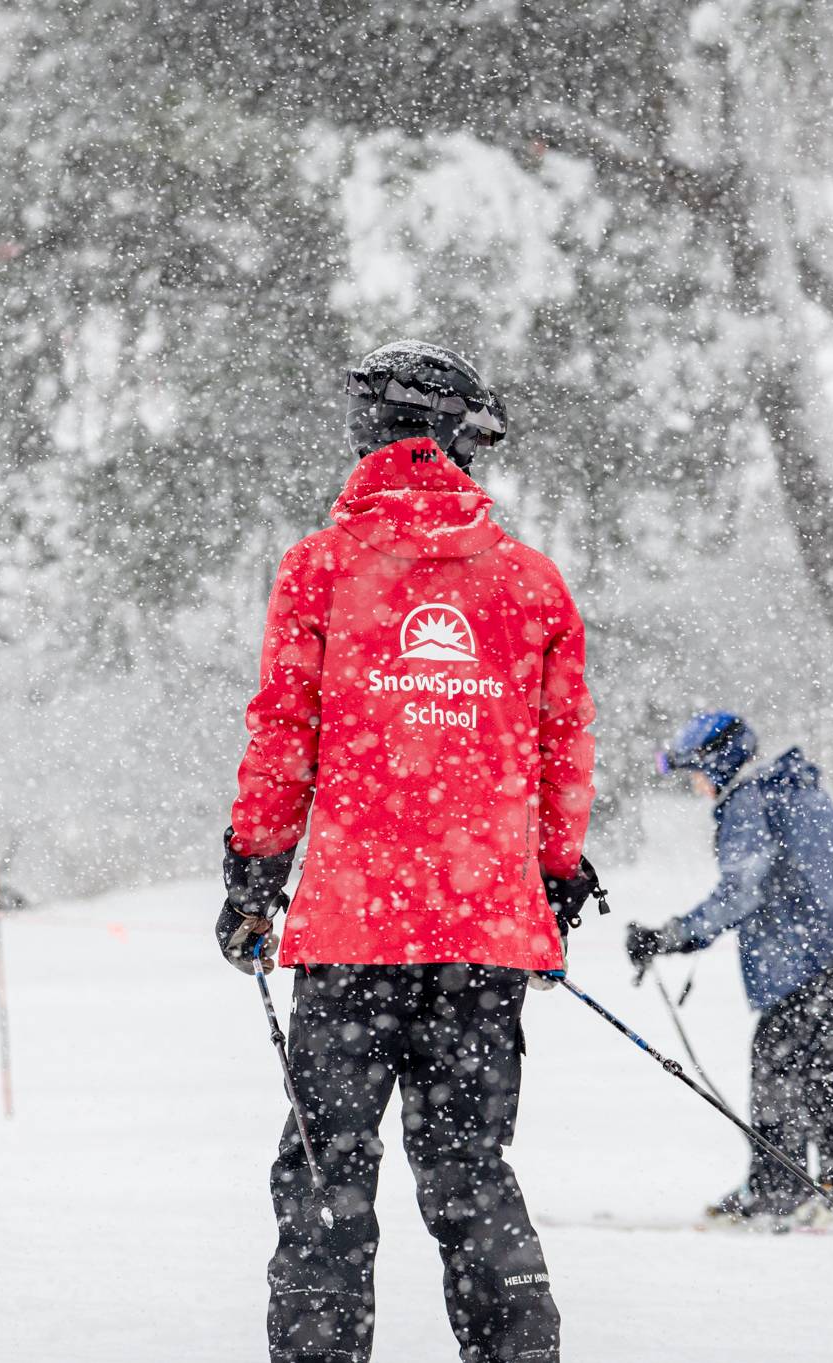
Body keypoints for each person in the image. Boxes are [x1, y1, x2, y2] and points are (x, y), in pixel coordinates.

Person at [215, 340, 598, 1363]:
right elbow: (565, 753)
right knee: (469, 1172)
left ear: (370, 439)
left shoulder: (320, 571)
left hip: (350, 938)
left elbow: (280, 736)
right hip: (484, 937)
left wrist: (253, 873)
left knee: (326, 1172)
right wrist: (556, 876)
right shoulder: (532, 585)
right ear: (460, 443)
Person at [625, 712, 833, 1223]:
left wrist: (671, 935)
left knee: (778, 1060)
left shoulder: (750, 800)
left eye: (696, 773)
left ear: (718, 760)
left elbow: (742, 891)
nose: (697, 786)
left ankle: (780, 1191)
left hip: (820, 950)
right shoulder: (786, 787)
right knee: (808, 1063)